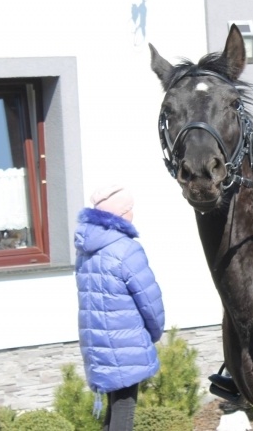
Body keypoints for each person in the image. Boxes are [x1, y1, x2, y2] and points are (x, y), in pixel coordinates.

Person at [75, 184, 166, 430]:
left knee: (113, 413)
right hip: (125, 343)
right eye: (130, 208)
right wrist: (154, 333)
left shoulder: (85, 249)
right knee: (123, 414)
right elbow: (149, 300)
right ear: (122, 213)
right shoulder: (126, 249)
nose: (133, 213)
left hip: (97, 344)